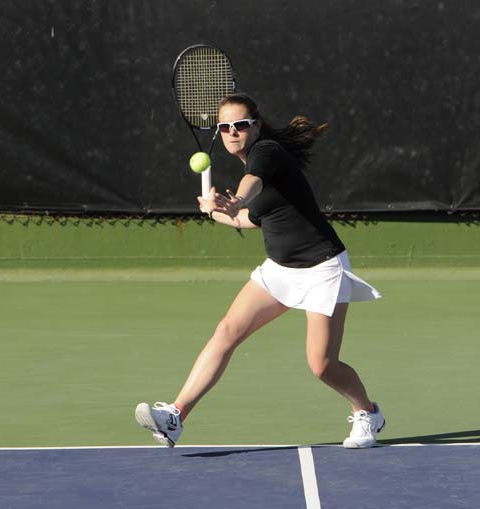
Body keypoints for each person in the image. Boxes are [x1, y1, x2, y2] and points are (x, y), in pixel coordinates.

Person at [135, 93, 384, 448]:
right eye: (225, 127)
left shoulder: (266, 153)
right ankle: (176, 416)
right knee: (226, 331)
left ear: (256, 126)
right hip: (279, 270)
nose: (233, 132)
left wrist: (235, 197)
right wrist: (212, 209)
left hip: (321, 268)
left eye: (240, 125)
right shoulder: (261, 168)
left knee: (322, 365)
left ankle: (368, 413)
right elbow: (249, 220)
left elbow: (249, 187)